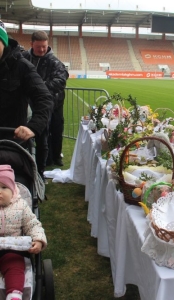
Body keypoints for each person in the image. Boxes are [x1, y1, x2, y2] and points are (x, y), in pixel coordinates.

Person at [0, 21, 53, 143]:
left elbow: (44, 98)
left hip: (10, 144)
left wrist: (33, 127)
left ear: (3, 42)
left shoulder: (21, 66)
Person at [22, 30, 69, 169]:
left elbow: (60, 81)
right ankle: (42, 159)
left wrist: (38, 88)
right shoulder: (24, 58)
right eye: (38, 47)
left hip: (54, 103)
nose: (42, 49)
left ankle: (55, 156)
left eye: (44, 46)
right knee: (40, 132)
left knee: (56, 129)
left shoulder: (55, 62)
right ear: (31, 44)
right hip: (31, 104)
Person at [0, 165, 47, 300]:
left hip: (13, 250)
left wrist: (38, 240)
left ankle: (14, 294)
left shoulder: (21, 206)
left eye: (4, 187)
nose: (0, 192)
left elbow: (33, 225)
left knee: (15, 267)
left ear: (13, 190)